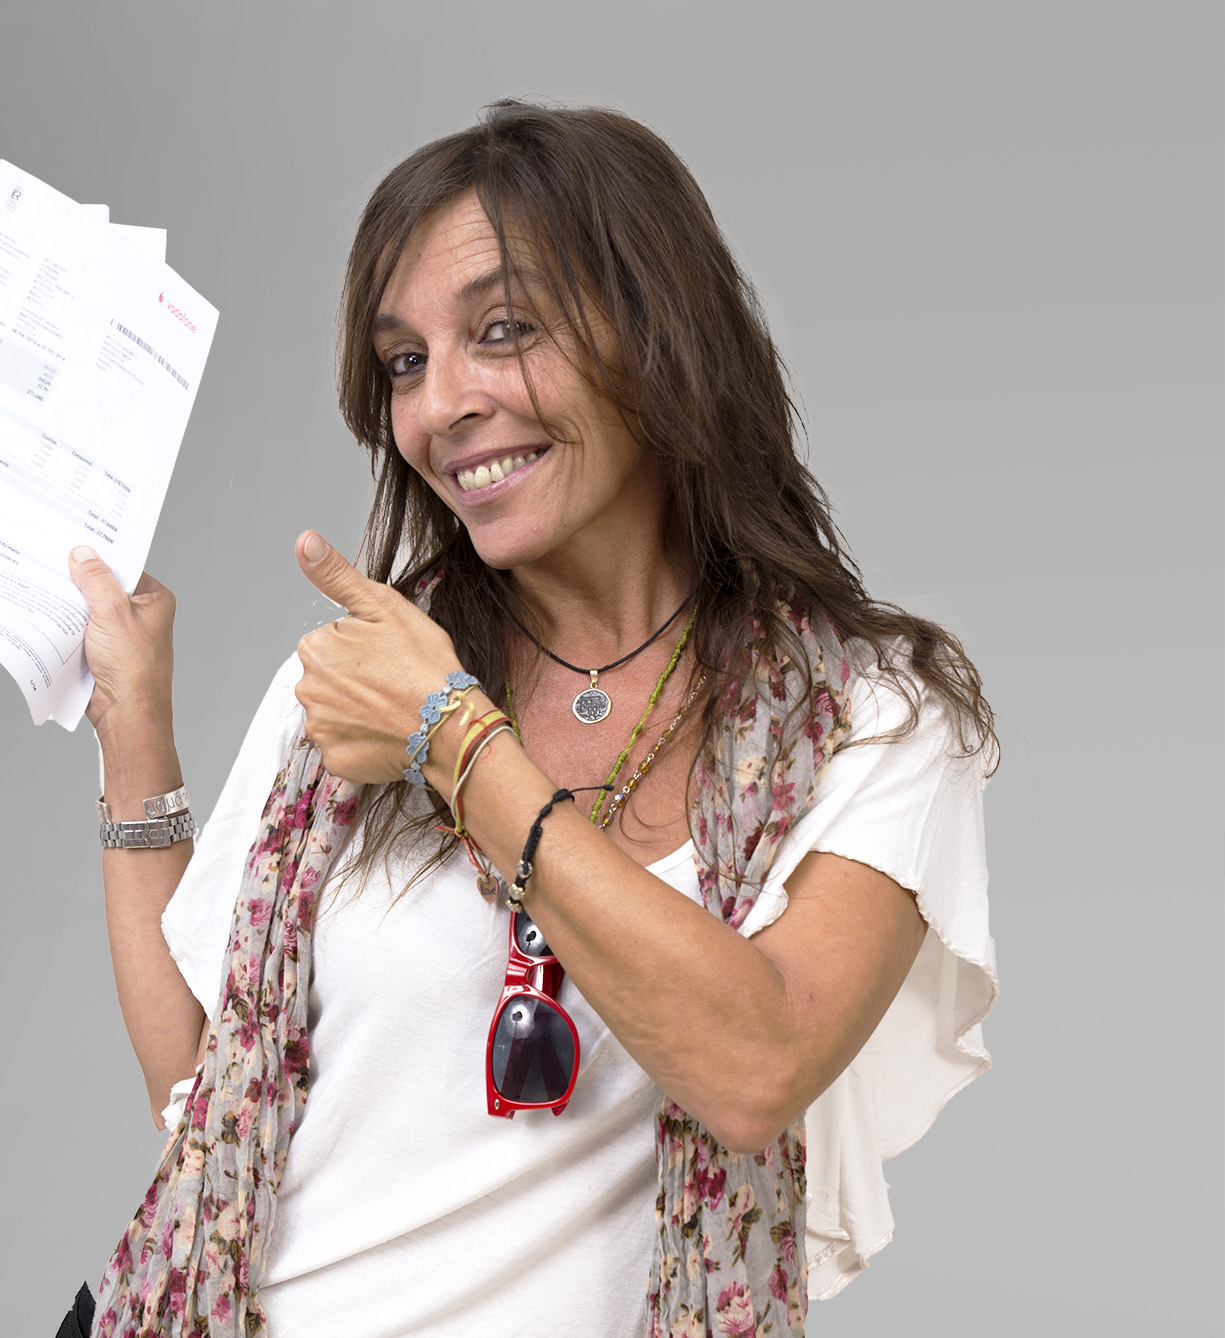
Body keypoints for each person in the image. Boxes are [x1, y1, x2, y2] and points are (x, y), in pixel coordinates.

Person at [62, 100, 996, 1338]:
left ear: (657, 334)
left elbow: (754, 1067)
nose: (439, 405)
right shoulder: (367, 673)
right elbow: (195, 1072)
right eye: (404, 361)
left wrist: (451, 739)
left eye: (501, 331)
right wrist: (134, 728)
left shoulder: (875, 718)